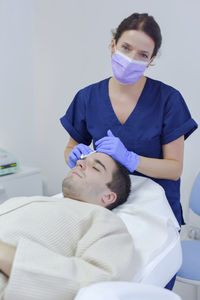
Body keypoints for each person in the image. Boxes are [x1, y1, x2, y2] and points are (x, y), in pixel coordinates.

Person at [60, 13, 198, 290]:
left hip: (154, 211)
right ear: (113, 45)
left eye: (143, 54)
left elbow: (174, 168)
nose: (132, 59)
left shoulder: (168, 100)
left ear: (152, 59)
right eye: (126, 48)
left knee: (141, 285)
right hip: (102, 206)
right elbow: (71, 147)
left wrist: (131, 159)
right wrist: (74, 156)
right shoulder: (87, 97)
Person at [0, 152, 135, 300]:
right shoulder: (24, 201)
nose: (80, 163)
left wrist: (5, 254)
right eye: (83, 160)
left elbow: (98, 283)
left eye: (96, 167)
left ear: (108, 196)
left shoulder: (105, 221)